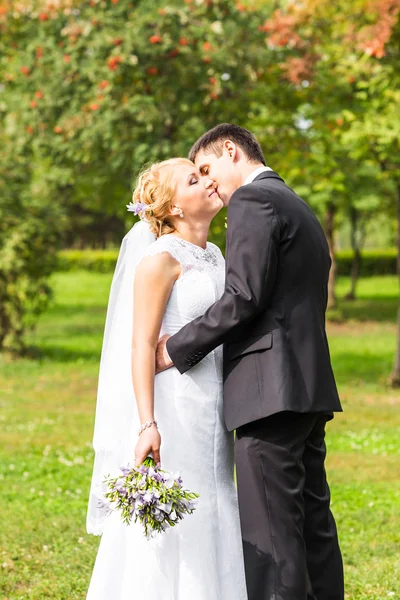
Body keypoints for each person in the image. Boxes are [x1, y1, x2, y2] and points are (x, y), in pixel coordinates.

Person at [156, 124, 345, 600]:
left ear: (229, 150)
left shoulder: (252, 201)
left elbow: (244, 296)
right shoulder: (297, 204)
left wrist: (175, 348)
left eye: (206, 169)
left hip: (267, 390)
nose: (209, 183)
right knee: (312, 524)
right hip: (307, 386)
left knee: (271, 537)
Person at [85, 158, 248, 600]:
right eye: (195, 180)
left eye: (204, 173)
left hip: (213, 404)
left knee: (215, 497)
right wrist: (147, 423)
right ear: (174, 207)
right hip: (175, 405)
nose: (209, 181)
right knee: (181, 509)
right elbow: (139, 347)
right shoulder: (159, 261)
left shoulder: (215, 254)